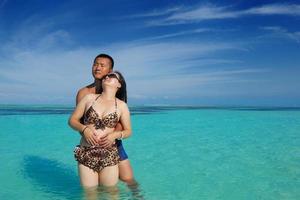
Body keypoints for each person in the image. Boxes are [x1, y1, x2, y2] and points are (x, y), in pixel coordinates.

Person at [76, 54, 136, 186]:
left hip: (113, 142)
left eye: (102, 65)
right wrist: (89, 135)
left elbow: (120, 120)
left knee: (127, 178)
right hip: (91, 142)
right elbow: (79, 120)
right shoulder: (84, 93)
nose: (97, 68)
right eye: (95, 64)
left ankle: (137, 196)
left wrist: (111, 137)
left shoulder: (115, 92)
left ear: (110, 71)